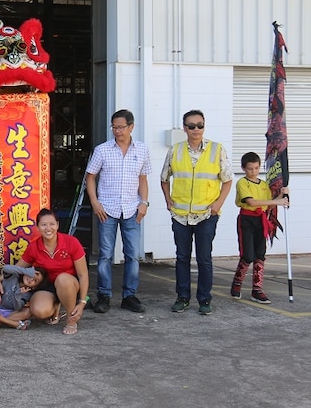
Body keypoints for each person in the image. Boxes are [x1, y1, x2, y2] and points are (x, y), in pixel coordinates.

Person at [160, 109, 233, 315]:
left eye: (200, 125)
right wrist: (168, 200)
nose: (196, 129)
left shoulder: (217, 150)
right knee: (182, 257)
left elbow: (227, 180)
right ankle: (182, 297)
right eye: (191, 126)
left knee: (204, 258)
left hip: (206, 215)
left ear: (204, 126)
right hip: (180, 215)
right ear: (184, 128)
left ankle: (204, 299)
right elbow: (164, 178)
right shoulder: (175, 151)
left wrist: (217, 205)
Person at [85, 109, 152, 314]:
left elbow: (143, 179)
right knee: (105, 255)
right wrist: (95, 202)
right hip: (107, 209)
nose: (117, 131)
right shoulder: (103, 150)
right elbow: (90, 177)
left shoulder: (142, 150)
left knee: (132, 255)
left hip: (132, 209)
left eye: (121, 127)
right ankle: (104, 296)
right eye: (114, 127)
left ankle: (129, 296)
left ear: (131, 127)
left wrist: (144, 203)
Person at [14, 208, 89, 335]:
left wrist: (82, 302)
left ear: (58, 225)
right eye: (43, 225)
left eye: (52, 224)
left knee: (62, 279)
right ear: (37, 227)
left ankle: (71, 319)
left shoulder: (71, 242)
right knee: (39, 310)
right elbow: (17, 268)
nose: (48, 228)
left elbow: (83, 275)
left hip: (69, 284)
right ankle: (55, 307)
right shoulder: (34, 246)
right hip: (47, 286)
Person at [231, 151, 289, 303]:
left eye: (256, 168)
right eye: (250, 168)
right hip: (247, 219)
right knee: (248, 254)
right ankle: (237, 282)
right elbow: (251, 202)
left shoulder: (263, 184)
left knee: (260, 254)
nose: (254, 171)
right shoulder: (242, 183)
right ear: (244, 168)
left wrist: (282, 196)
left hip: (260, 220)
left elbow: (268, 203)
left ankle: (257, 289)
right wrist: (276, 202)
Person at [0, 265, 47, 330]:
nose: (31, 279)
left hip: (10, 313)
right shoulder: (13, 276)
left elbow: (17, 307)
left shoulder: (27, 294)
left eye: (35, 280)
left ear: (34, 287)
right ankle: (13, 323)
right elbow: (6, 268)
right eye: (33, 274)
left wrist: (18, 294)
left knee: (28, 312)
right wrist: (25, 271)